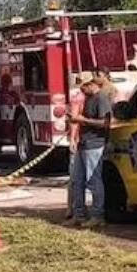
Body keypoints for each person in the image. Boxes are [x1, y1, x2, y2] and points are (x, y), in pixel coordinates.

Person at [68, 72, 112, 228]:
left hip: (95, 144)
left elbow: (105, 123)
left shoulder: (101, 99)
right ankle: (79, 214)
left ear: (91, 84)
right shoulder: (88, 98)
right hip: (83, 143)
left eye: (83, 86)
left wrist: (83, 120)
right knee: (77, 180)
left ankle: (98, 215)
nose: (81, 89)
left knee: (93, 180)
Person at [64, 76, 87, 221]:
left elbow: (73, 120)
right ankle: (75, 208)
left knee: (74, 178)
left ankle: (71, 208)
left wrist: (72, 138)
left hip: (79, 140)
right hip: (88, 141)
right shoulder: (99, 96)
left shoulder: (77, 98)